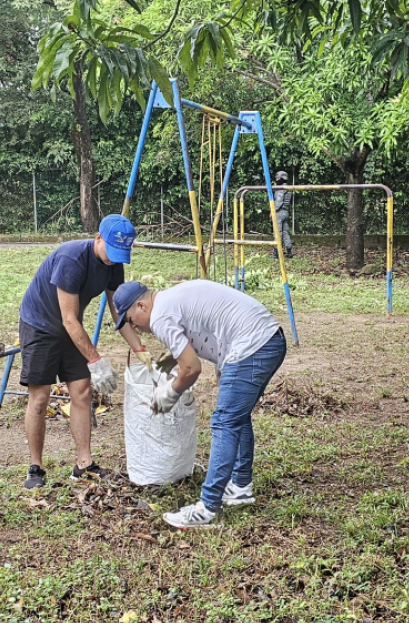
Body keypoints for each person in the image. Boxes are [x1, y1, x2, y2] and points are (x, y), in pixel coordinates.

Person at [112, 279, 287, 529]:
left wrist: (169, 393)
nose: (135, 327)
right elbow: (202, 327)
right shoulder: (171, 299)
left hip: (252, 344)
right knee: (237, 415)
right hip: (269, 338)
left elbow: (192, 368)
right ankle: (239, 487)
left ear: (141, 305)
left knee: (225, 421)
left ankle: (207, 508)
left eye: (130, 320)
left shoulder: (160, 316)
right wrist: (173, 362)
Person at [18, 214, 152, 489]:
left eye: (120, 255)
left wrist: (141, 351)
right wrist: (96, 360)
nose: (113, 259)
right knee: (40, 397)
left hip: (71, 328)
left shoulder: (113, 263)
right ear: (98, 238)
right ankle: (36, 467)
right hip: (41, 325)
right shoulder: (72, 259)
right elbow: (68, 318)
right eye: (111, 251)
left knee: (81, 390)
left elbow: (119, 313)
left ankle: (84, 464)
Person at [273, 170, 293, 259]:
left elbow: (279, 201)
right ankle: (289, 251)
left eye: (277, 178)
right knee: (285, 232)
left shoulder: (281, 189)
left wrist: (273, 211)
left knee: (278, 233)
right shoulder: (289, 188)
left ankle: (276, 253)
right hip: (286, 212)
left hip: (279, 212)